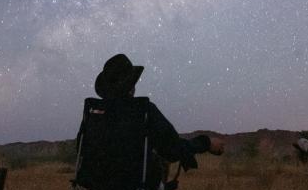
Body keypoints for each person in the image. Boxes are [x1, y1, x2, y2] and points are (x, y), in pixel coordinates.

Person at [89, 53, 224, 177]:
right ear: (131, 86)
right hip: (133, 185)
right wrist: (206, 143)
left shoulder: (94, 113)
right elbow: (173, 148)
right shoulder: (143, 110)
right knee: (161, 160)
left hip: (97, 181)